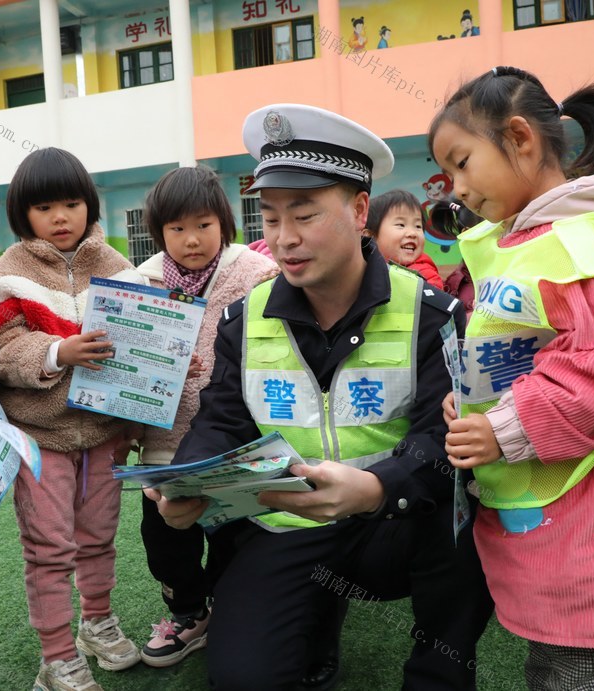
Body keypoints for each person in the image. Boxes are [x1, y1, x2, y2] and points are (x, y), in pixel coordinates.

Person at [146, 104, 494, 690]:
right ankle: (315, 618)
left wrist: (381, 486)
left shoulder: (431, 315)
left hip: (393, 521)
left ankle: (438, 671)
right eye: (272, 217)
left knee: (463, 522)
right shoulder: (243, 320)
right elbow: (221, 421)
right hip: (288, 525)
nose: (284, 239)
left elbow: (445, 437)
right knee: (242, 679)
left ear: (360, 211)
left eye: (304, 214)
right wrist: (188, 479)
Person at [429, 65, 594, 689]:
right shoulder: (537, 239)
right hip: (577, 501)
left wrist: (502, 428)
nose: (457, 188)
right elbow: (528, 352)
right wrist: (473, 400)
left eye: (463, 162)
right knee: (561, 666)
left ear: (520, 138)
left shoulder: (566, 246)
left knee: (583, 674)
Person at [0, 147, 145, 691]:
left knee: (98, 537)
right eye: (45, 206)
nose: (60, 217)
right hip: (39, 436)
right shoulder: (8, 274)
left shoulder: (116, 265)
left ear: (89, 205)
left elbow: (143, 337)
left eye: (72, 203)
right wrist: (58, 352)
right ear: (22, 213)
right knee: (49, 547)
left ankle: (97, 623)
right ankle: (56, 656)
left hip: (103, 432)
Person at [133, 165, 278, 668]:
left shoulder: (256, 275)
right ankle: (188, 613)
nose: (190, 240)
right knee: (165, 538)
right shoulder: (140, 285)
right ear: (159, 233)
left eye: (202, 225)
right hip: (165, 444)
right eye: (176, 229)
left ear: (225, 223)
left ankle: (231, 608)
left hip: (238, 441)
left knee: (235, 536)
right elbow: (124, 369)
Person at [364, 189, 445, 288]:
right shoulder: (364, 270)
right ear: (370, 236)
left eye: (418, 226)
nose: (412, 233)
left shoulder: (424, 276)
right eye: (401, 225)